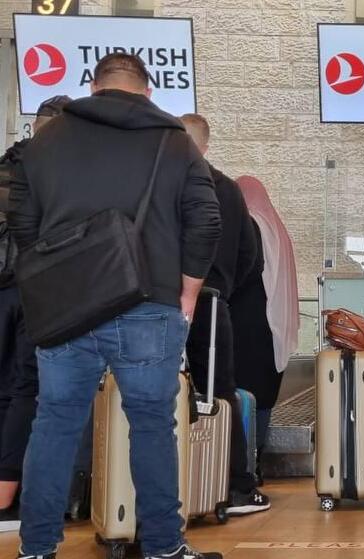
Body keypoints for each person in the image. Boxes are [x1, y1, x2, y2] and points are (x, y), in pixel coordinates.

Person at [7, 53, 222, 559]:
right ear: (147, 93)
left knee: (55, 421)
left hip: (66, 310)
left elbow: (22, 225)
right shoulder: (174, 142)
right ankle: (164, 547)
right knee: (151, 425)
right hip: (150, 306)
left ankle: (36, 548)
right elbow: (206, 220)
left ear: (93, 87)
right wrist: (187, 294)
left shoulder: (47, 140)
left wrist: (58, 279)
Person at [179, 114, 271, 515]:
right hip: (212, 304)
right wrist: (224, 287)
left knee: (156, 394)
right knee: (219, 392)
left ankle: (174, 484)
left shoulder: (162, 184)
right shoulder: (228, 189)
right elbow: (251, 256)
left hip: (162, 305)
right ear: (206, 145)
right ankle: (235, 486)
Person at [0, 96, 72, 533]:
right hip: (35, 292)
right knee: (28, 390)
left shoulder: (5, 165)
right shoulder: (57, 174)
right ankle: (10, 494)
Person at [230, 175, 299, 473]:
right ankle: (253, 461)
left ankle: (243, 465)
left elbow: (241, 272)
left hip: (249, 323)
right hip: (274, 327)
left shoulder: (250, 226)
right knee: (264, 397)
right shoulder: (277, 227)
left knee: (245, 395)